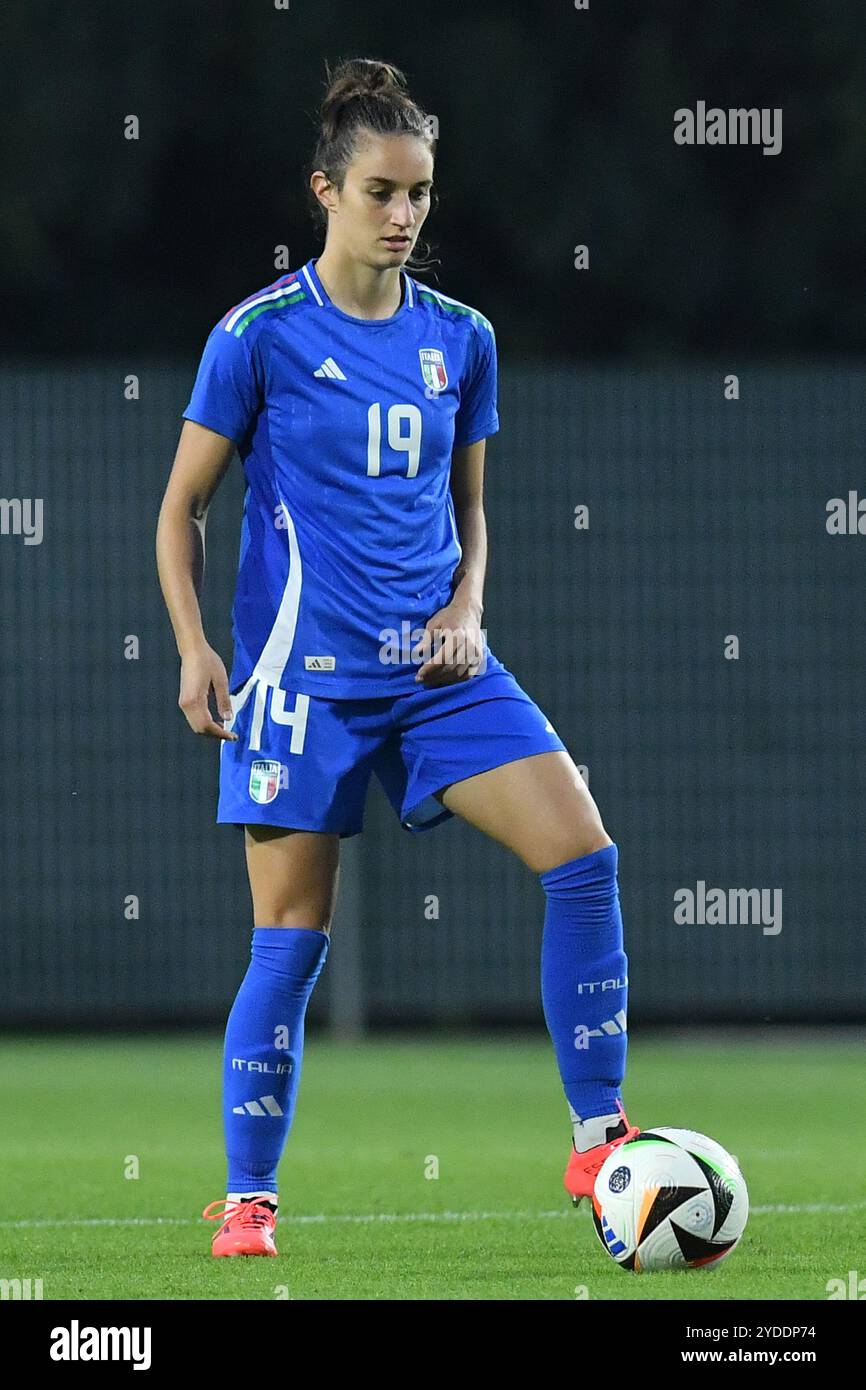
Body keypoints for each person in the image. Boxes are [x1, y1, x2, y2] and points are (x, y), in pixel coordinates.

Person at [156, 56, 638, 1259]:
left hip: (436, 672)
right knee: (289, 942)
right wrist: (193, 646)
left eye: (419, 192)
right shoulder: (256, 335)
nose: (405, 214)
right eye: (380, 190)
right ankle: (251, 1200)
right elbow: (181, 510)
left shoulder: (461, 339)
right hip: (296, 685)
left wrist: (470, 604)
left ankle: (597, 1137)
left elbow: (470, 509)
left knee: (582, 852)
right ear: (324, 190)